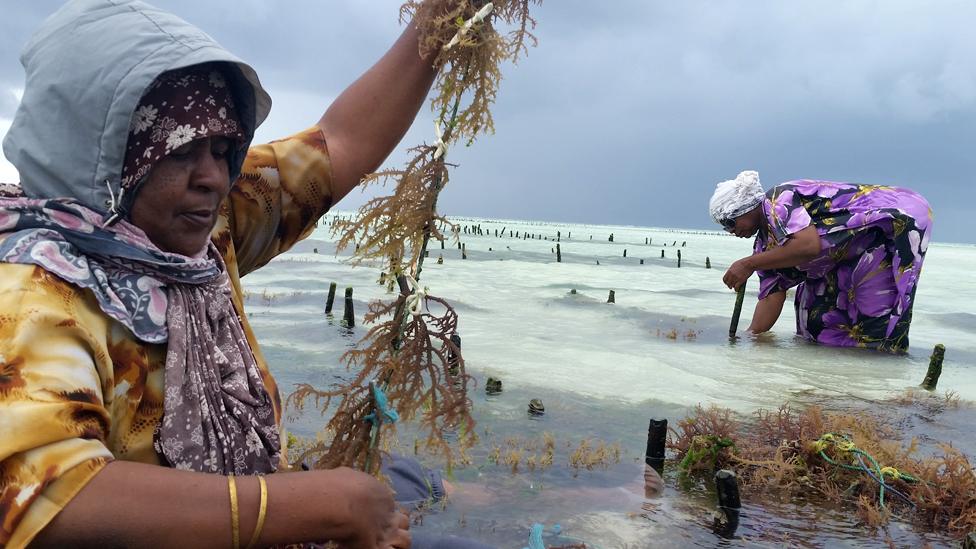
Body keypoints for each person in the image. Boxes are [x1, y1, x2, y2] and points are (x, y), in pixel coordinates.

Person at [0, 1, 492, 547]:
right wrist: (321, 507)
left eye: (224, 148)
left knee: (414, 482)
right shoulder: (35, 291)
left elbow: (341, 142)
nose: (212, 177)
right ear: (109, 154)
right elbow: (46, 500)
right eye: (182, 149)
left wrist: (438, 19)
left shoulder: (203, 234)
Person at [709, 170, 933, 353]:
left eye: (730, 222)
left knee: (874, 324)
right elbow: (771, 296)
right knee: (816, 324)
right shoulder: (764, 248)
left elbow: (808, 246)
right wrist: (749, 339)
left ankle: (881, 382)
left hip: (897, 220)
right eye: (724, 226)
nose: (731, 231)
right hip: (848, 249)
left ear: (745, 208)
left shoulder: (778, 200)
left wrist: (748, 264)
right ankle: (834, 381)